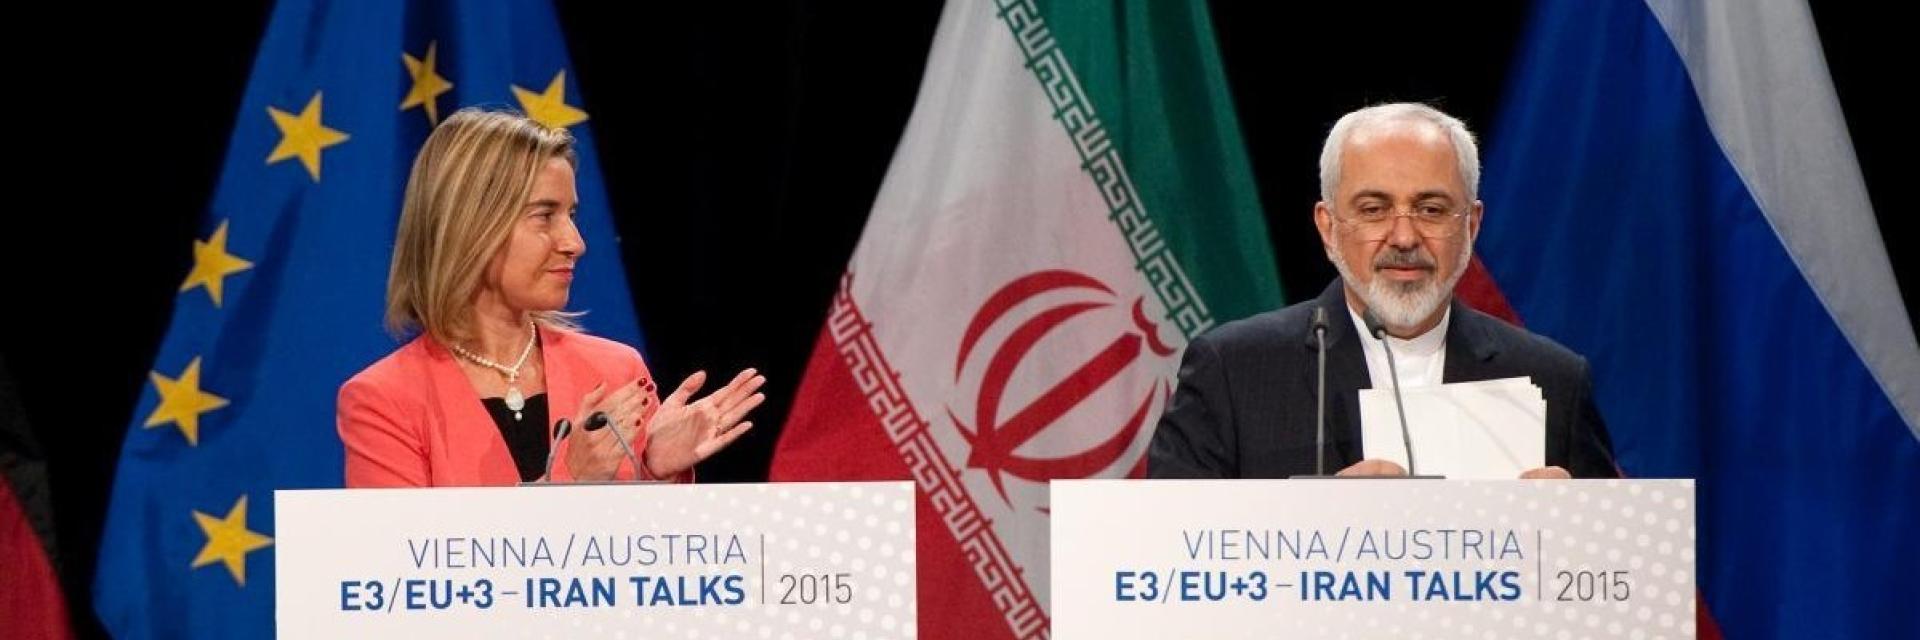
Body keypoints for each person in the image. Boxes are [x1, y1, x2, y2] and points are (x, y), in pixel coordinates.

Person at [1148, 103, 1616, 479]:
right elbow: (1170, 557)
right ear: (1328, 227)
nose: (1404, 237)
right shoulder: (1233, 372)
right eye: (1374, 209)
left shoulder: (1555, 380)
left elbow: (1611, 581)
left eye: (1431, 209)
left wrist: (1567, 532)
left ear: (1471, 225)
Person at [338, 108, 764, 487]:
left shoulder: (615, 370)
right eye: (545, 215)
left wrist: (653, 468)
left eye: (571, 215)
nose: (575, 242)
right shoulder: (383, 401)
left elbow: (650, 560)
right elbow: (404, 569)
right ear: (471, 226)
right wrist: (569, 479)